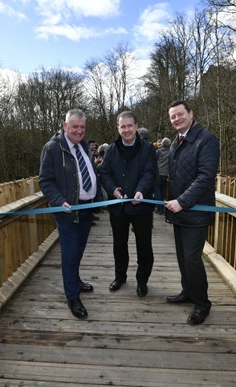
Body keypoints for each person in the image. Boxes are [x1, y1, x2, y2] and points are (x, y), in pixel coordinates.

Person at [39, 109, 99, 319]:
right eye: (75, 127)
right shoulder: (53, 148)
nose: (79, 131)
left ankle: (75, 280)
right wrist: (58, 201)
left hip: (86, 210)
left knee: (79, 251)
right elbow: (45, 180)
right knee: (70, 254)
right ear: (65, 126)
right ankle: (72, 297)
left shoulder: (83, 146)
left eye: (82, 127)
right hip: (67, 212)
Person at [164, 100, 220, 325]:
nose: (176, 119)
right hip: (179, 212)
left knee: (191, 258)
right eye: (173, 117)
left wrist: (183, 201)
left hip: (195, 211)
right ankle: (187, 291)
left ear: (191, 114)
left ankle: (202, 304)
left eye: (180, 114)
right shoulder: (177, 142)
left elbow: (205, 177)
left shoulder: (206, 140)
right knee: (182, 257)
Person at [100, 111, 157, 297]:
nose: (126, 130)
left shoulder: (148, 148)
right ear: (118, 128)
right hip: (118, 208)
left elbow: (150, 173)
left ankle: (142, 281)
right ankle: (120, 277)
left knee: (144, 247)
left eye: (129, 126)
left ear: (136, 126)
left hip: (141, 207)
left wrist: (140, 191)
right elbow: (105, 173)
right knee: (119, 245)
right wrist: (113, 190)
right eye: (122, 126)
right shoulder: (111, 150)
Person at [155, 137, 171, 214]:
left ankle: (159, 208)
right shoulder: (171, 152)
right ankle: (161, 207)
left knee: (157, 191)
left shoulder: (158, 151)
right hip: (165, 174)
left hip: (158, 174)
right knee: (162, 191)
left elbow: (153, 161)